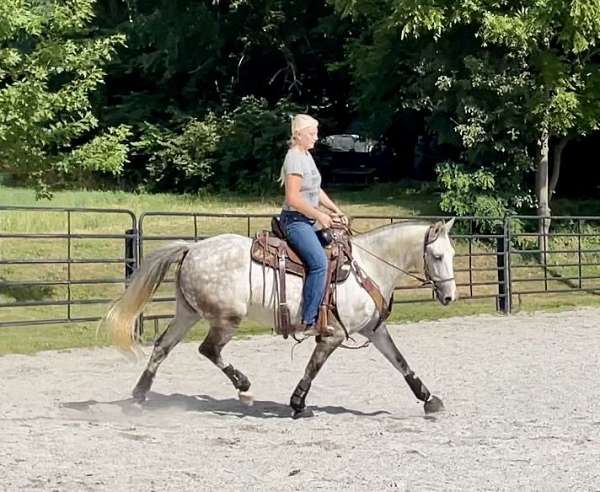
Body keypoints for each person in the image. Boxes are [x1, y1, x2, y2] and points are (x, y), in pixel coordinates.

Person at [278, 114, 347, 335]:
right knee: (319, 264)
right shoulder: (295, 158)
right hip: (295, 221)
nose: (316, 138)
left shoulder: (306, 156)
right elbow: (293, 198)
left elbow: (315, 190)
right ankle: (309, 320)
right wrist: (319, 215)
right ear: (298, 135)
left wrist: (335, 210)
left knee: (337, 248)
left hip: (307, 220)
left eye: (316, 133)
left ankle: (328, 307)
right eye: (312, 133)